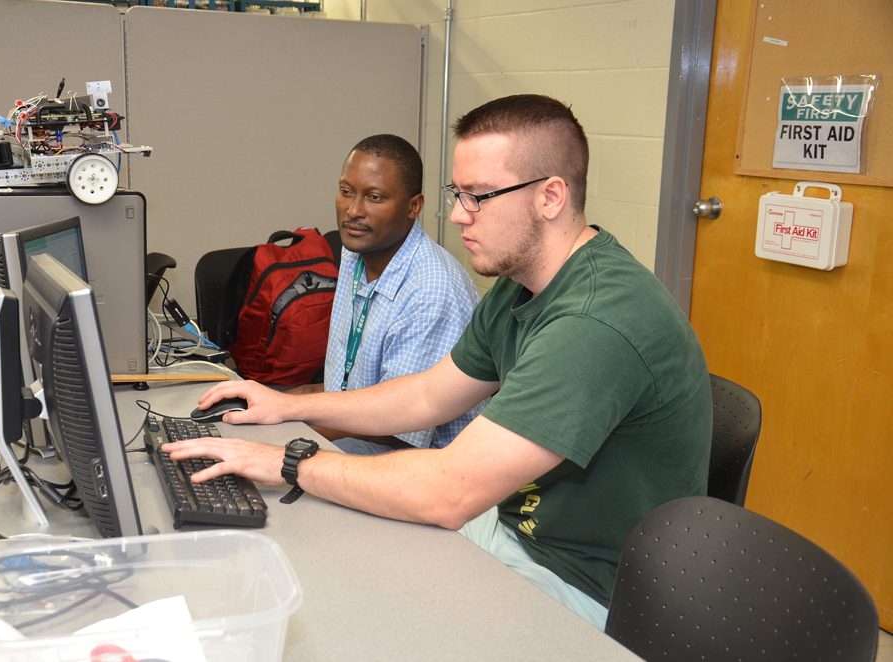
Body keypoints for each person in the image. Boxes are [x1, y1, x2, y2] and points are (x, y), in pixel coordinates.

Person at [163, 95, 712, 629]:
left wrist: (288, 462)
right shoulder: (521, 286)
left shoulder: (594, 321)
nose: (457, 215)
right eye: (458, 193)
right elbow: (428, 396)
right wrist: (286, 404)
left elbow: (449, 491)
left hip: (583, 589)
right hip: (506, 531)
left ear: (550, 197)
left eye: (479, 196)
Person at [300, 134, 481, 454]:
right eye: (346, 192)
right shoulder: (356, 250)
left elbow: (400, 429)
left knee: (272, 470)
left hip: (416, 461)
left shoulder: (431, 291)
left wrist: (289, 421)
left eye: (374, 197)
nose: (353, 211)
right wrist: (263, 401)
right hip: (355, 431)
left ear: (414, 207)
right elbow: (343, 390)